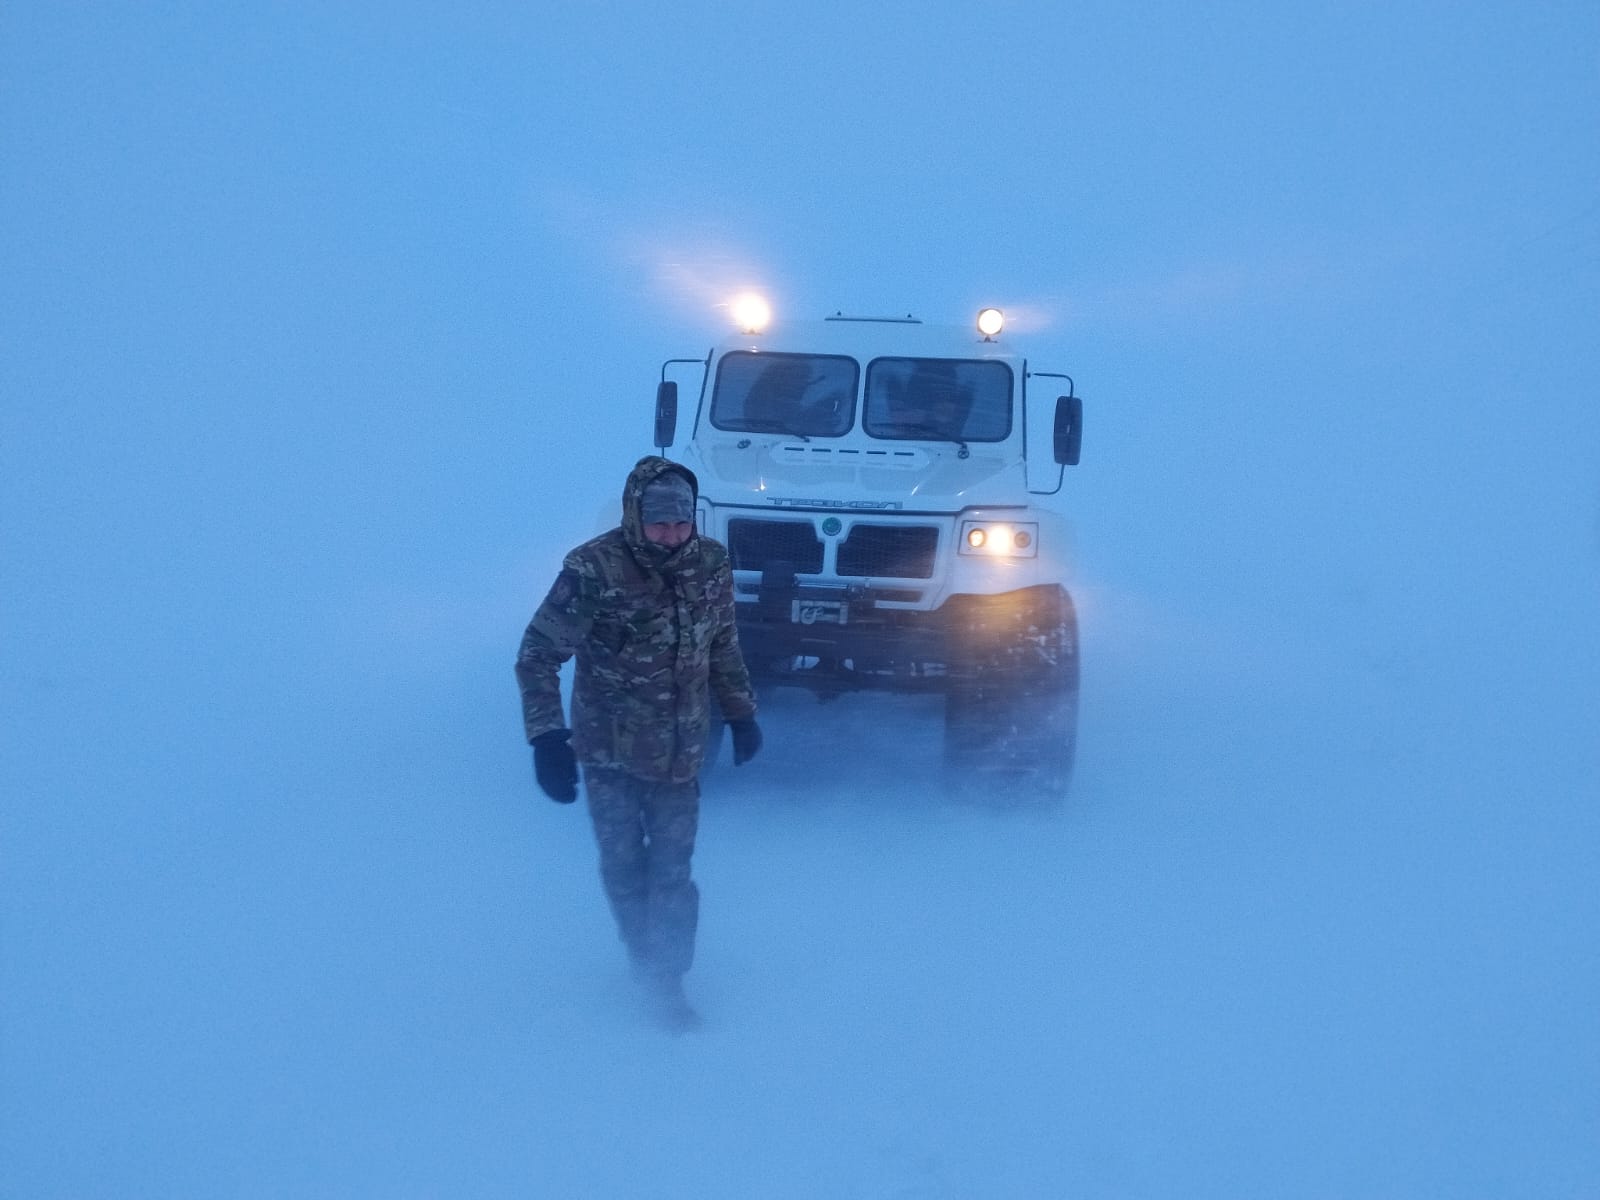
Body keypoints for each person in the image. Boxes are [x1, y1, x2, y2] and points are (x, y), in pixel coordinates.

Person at [515, 455, 762, 1031]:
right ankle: (641, 955)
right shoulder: (592, 570)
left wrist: (742, 713)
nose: (671, 537)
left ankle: (666, 980)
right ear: (635, 517)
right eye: (659, 525)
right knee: (626, 868)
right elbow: (537, 655)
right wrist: (547, 737)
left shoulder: (710, 563)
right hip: (609, 754)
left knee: (672, 873)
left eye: (681, 524)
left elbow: (723, 644)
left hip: (679, 755)